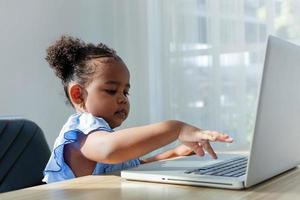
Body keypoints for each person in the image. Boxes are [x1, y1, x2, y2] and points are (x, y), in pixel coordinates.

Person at [43, 35, 233, 183]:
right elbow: (110, 150)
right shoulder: (80, 131)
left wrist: (176, 153)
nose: (122, 99)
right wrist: (176, 129)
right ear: (78, 95)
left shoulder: (103, 134)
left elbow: (132, 166)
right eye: (111, 90)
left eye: (126, 92)